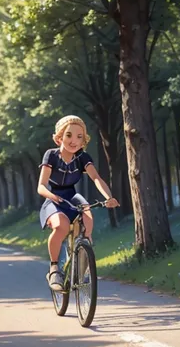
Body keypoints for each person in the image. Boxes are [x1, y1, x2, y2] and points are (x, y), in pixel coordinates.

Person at [37, 115, 119, 291]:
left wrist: (108, 197)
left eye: (79, 136)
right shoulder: (51, 155)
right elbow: (41, 187)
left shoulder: (82, 157)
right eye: (69, 135)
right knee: (62, 226)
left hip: (72, 196)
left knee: (88, 215)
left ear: (83, 140)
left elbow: (96, 178)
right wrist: (53, 197)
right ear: (59, 137)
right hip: (53, 198)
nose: (74, 141)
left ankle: (83, 255)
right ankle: (54, 269)